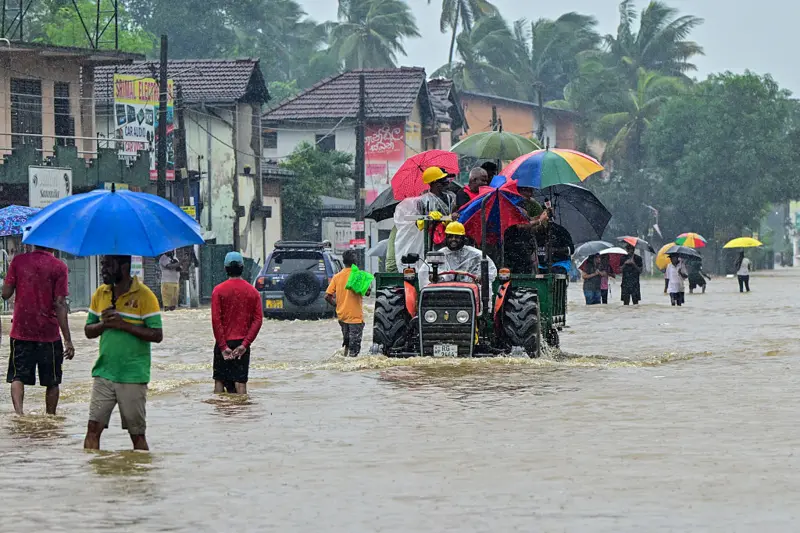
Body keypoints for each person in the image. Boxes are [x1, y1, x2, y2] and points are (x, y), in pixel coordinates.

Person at [83, 255, 163, 451]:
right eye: (103, 264)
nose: (103, 269)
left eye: (108, 265)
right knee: (93, 428)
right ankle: (94, 478)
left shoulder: (145, 295)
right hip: (104, 373)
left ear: (124, 266)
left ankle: (139, 478)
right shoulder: (101, 294)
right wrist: (104, 324)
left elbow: (157, 334)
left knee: (137, 435)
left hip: (133, 375)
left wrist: (123, 325)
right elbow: (88, 330)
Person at [1, 246, 74, 415]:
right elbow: (60, 303)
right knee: (52, 381)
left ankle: (19, 416)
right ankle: (50, 418)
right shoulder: (59, 266)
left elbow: (5, 293)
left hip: (21, 330)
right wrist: (68, 340)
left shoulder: (19, 261)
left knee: (17, 376)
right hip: (49, 333)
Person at [211, 252, 263, 394]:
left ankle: (219, 415)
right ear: (242, 268)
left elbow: (216, 320)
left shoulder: (218, 291)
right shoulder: (253, 292)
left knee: (220, 381)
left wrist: (222, 347)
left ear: (225, 268)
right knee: (240, 384)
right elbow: (258, 320)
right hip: (242, 344)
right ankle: (242, 415)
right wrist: (244, 345)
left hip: (223, 343)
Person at [418, 222, 497, 288]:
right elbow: (424, 273)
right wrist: (432, 277)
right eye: (450, 237)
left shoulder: (476, 255)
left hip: (469, 291)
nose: (453, 239)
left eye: (457, 237)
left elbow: (490, 271)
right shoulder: (438, 255)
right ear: (446, 238)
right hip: (444, 292)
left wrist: (481, 277)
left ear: (463, 239)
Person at [325, 250, 368, 357]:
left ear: (343, 262)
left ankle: (344, 359)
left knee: (347, 342)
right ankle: (351, 370)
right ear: (355, 262)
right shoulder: (358, 275)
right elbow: (367, 292)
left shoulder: (337, 277)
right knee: (355, 348)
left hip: (342, 316)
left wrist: (337, 305)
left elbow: (327, 296)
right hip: (355, 317)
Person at [503, 186, 549, 274]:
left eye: (532, 191)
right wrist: (540, 220)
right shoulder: (512, 205)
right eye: (528, 191)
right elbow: (521, 225)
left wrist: (543, 215)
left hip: (524, 246)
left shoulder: (523, 203)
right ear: (519, 191)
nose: (530, 194)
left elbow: (528, 221)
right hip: (513, 248)